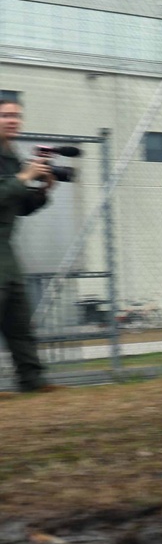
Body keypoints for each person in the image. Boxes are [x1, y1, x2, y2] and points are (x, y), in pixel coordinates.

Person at [0, 98, 57, 396]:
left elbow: (19, 206)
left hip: (5, 248)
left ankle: (32, 380)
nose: (12, 120)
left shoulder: (11, 155)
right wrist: (24, 177)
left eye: (16, 116)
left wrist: (44, 190)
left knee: (18, 318)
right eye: (5, 115)